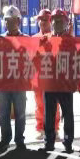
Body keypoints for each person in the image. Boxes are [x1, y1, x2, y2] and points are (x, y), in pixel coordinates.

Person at [41, 9, 75, 153]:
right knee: (49, 114)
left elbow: (76, 61)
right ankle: (49, 142)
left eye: (61, 21)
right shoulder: (45, 39)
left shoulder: (71, 41)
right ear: (51, 23)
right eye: (55, 21)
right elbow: (37, 57)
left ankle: (68, 142)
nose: (58, 23)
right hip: (49, 83)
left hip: (65, 83)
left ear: (66, 23)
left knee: (67, 114)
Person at [0, 5, 28, 151]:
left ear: (19, 21)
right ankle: (5, 139)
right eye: (7, 20)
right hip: (3, 82)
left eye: (13, 20)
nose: (9, 23)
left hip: (19, 83)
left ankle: (19, 140)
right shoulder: (0, 39)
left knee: (20, 113)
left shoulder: (26, 40)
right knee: (3, 113)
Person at [33, 9, 59, 141]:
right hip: (38, 78)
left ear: (50, 21)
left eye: (45, 20)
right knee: (39, 104)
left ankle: (55, 129)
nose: (42, 22)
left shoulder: (56, 38)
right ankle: (41, 129)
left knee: (54, 105)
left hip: (53, 78)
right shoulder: (34, 39)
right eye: (40, 20)